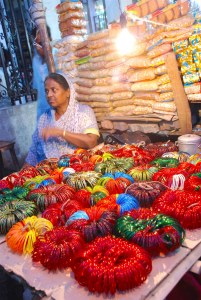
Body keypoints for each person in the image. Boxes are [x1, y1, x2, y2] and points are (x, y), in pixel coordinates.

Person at [25, 72, 99, 167]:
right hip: (49, 172)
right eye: (47, 91)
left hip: (79, 169)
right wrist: (20, 174)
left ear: (68, 92)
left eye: (54, 90)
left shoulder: (83, 113)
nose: (49, 95)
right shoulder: (44, 118)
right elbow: (34, 151)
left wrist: (60, 133)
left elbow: (91, 142)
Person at [31, 26, 52, 120]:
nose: (37, 47)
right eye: (35, 43)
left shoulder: (59, 56)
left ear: (49, 40)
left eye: (40, 43)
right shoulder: (36, 60)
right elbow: (38, 87)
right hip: (43, 108)